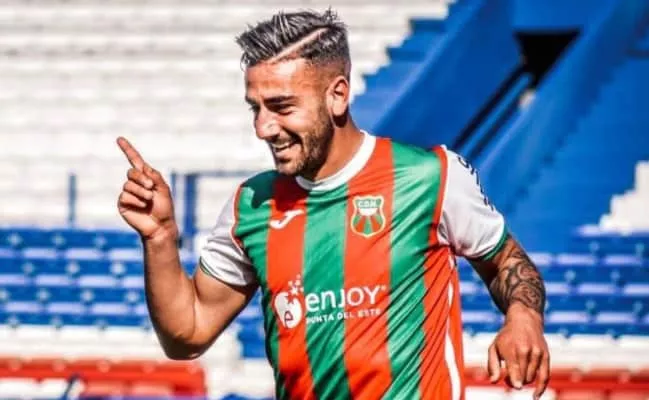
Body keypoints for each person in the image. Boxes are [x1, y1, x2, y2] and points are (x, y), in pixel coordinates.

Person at [116, 8, 550, 400]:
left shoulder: (430, 177)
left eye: (281, 107)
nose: (264, 127)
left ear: (337, 95)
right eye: (255, 109)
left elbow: (508, 263)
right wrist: (160, 238)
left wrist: (524, 316)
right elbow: (187, 335)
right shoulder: (251, 205)